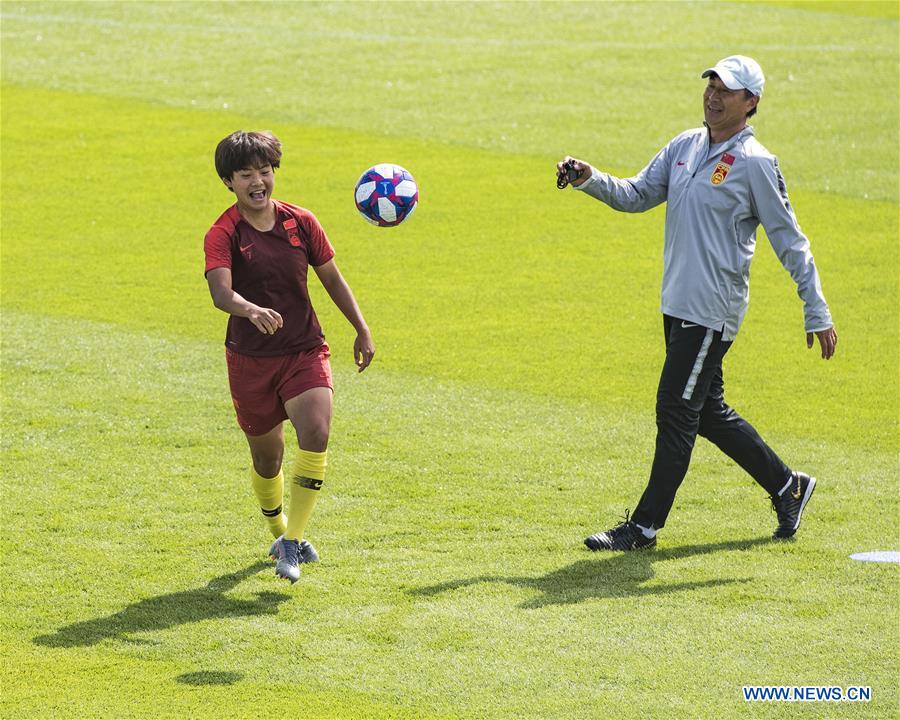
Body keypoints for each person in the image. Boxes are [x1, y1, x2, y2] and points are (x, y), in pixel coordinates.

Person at [557, 55, 837, 551]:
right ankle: (787, 485)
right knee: (706, 411)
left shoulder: (756, 164)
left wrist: (815, 309)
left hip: (711, 312)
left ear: (750, 102)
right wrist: (588, 177)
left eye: (726, 90)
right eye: (710, 84)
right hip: (677, 303)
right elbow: (638, 193)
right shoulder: (685, 145)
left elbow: (790, 240)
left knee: (675, 411)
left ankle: (642, 528)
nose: (713, 94)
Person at [204, 130, 375, 581]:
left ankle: (294, 543)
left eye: (265, 171)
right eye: (246, 174)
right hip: (250, 360)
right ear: (229, 181)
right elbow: (221, 293)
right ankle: (279, 529)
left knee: (316, 433)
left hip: (304, 348)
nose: (258, 181)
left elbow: (332, 279)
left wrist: (360, 327)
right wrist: (250, 308)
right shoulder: (223, 232)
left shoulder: (300, 222)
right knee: (268, 459)